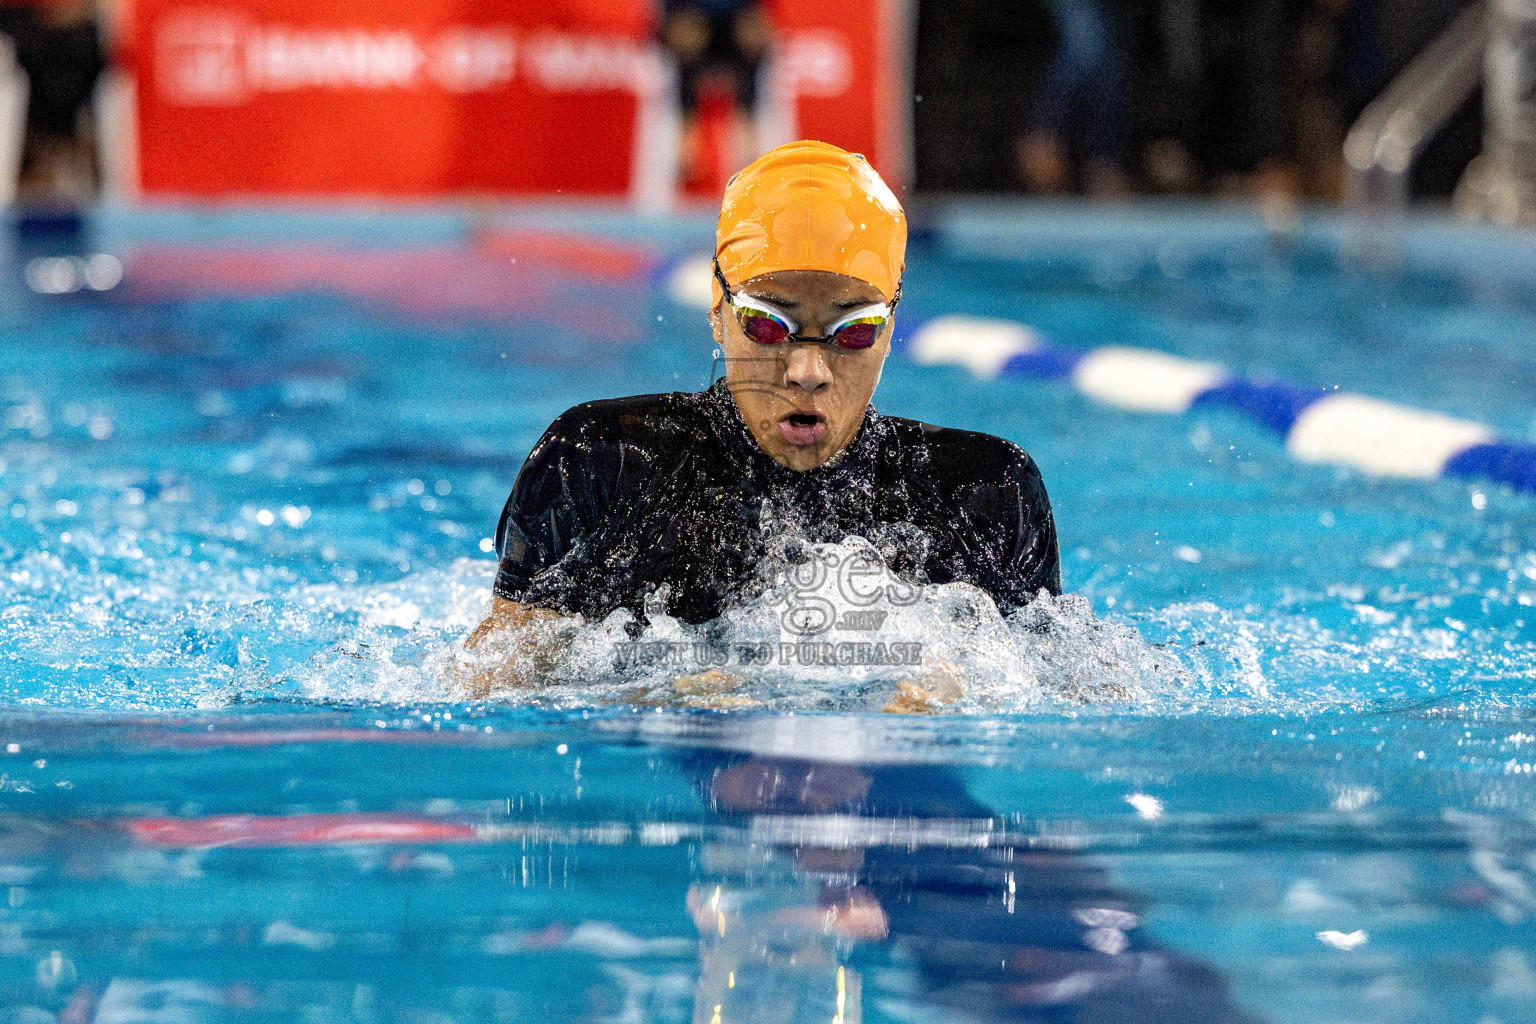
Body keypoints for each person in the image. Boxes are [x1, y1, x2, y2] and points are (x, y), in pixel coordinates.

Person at [455, 141, 1061, 697]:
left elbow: (1075, 691)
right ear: (718, 310)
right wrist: (652, 702)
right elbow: (488, 686)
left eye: (853, 331)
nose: (807, 370)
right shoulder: (602, 462)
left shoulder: (984, 492)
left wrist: (971, 704)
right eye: (770, 324)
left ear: (891, 329)